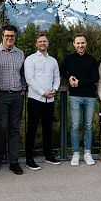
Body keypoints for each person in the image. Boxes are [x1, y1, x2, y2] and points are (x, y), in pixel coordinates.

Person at [0, 25, 26, 175]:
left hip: (17, 95)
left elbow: (22, 73)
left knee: (14, 129)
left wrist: (23, 88)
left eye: (12, 36)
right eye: (7, 35)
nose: (10, 38)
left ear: (15, 37)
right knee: (1, 128)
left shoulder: (20, 53)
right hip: (0, 96)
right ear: (2, 36)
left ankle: (14, 162)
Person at [60, 33, 99, 166]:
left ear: (86, 44)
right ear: (74, 44)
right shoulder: (69, 59)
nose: (80, 45)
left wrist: (79, 83)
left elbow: (95, 78)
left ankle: (87, 153)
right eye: (78, 43)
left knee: (88, 125)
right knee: (75, 125)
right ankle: (76, 153)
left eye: (82, 43)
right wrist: (69, 77)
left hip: (90, 97)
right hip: (75, 97)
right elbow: (62, 70)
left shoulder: (92, 60)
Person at [24, 33, 61, 170]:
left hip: (50, 100)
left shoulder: (53, 61)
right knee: (32, 129)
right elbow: (29, 79)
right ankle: (29, 158)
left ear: (48, 43)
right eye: (40, 41)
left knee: (48, 128)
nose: (42, 43)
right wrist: (42, 93)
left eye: (44, 41)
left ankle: (48, 155)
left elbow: (57, 77)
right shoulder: (30, 59)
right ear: (36, 44)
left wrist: (55, 90)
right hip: (35, 99)